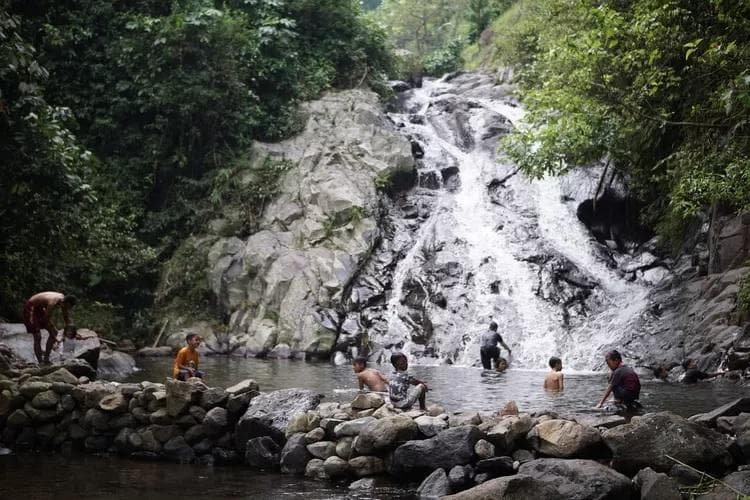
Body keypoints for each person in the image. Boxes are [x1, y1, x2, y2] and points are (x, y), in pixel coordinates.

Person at [22, 291, 77, 364]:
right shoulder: (52, 303)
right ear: (67, 303)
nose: (68, 309)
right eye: (69, 307)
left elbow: (66, 318)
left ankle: (46, 360)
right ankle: (40, 362)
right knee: (37, 335)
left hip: (40, 308)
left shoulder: (63, 300)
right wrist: (54, 335)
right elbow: (46, 320)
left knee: (54, 332)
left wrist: (70, 332)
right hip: (31, 307)